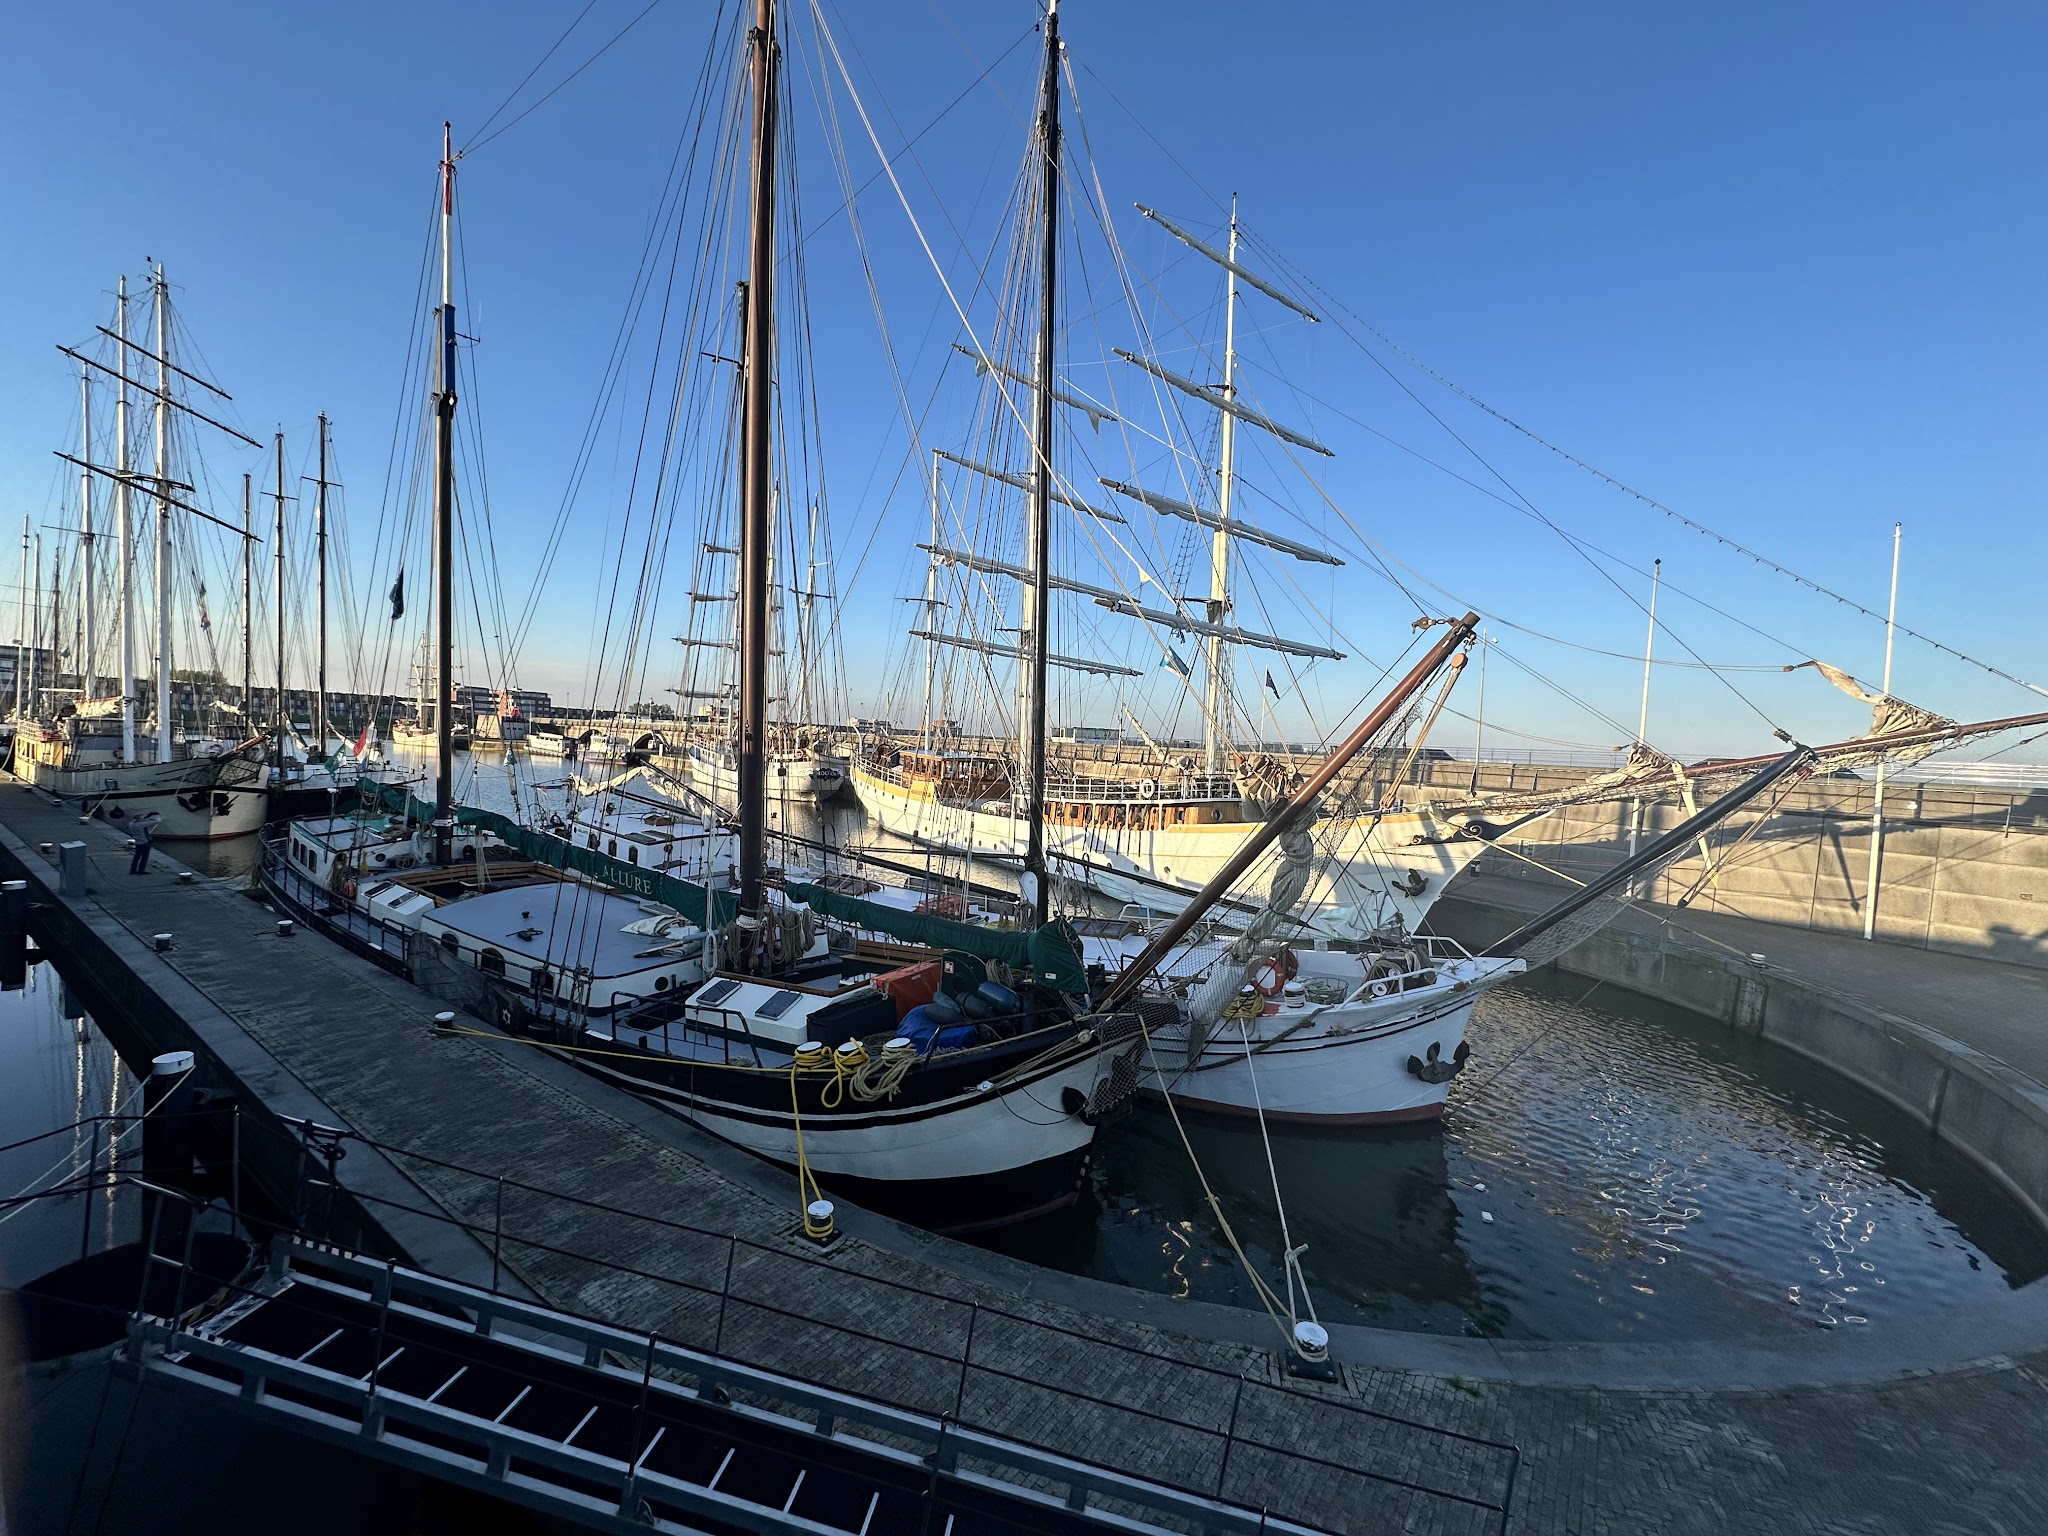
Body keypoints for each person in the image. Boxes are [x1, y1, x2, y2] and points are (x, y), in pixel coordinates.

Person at [128, 811, 162, 875]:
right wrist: (156, 815)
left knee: (136, 857)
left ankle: (132, 870)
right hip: (144, 842)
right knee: (144, 857)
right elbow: (157, 821)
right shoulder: (141, 824)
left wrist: (146, 817)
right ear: (140, 817)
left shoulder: (131, 824)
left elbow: (144, 822)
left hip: (137, 842)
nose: (144, 817)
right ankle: (141, 871)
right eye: (143, 816)